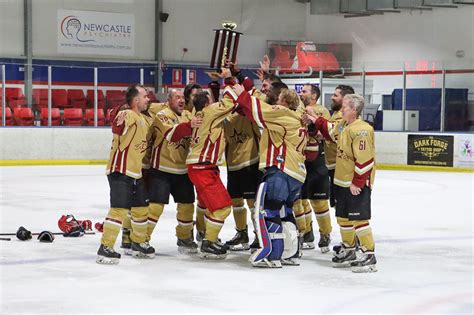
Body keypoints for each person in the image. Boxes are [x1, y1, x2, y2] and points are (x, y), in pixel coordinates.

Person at [232, 83, 307, 268]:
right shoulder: (298, 116)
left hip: (280, 170)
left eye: (279, 99)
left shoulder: (282, 113)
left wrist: (241, 93)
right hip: (297, 174)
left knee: (269, 211)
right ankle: (291, 253)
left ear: (284, 102)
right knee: (286, 212)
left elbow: (257, 111)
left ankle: (272, 254)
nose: (276, 102)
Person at [305, 94, 377, 273]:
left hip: (354, 183)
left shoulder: (362, 130)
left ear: (354, 109)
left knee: (359, 219)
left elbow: (365, 160)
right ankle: (349, 249)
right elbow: (329, 131)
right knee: (343, 218)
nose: (341, 109)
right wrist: (314, 118)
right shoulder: (344, 125)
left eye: (345, 106)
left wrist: (358, 182)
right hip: (340, 180)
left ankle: (369, 255)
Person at [97, 84, 153, 264]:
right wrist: (119, 115)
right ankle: (105, 247)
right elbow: (117, 126)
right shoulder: (128, 114)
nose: (148, 99)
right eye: (145, 96)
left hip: (135, 173)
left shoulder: (142, 118)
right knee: (119, 209)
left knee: (142, 209)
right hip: (120, 171)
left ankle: (137, 243)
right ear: (136, 100)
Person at [185, 68, 238, 259]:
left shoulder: (199, 114)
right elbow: (231, 102)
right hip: (203, 167)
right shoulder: (211, 111)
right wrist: (228, 79)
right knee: (223, 207)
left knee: (212, 207)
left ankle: (209, 238)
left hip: (200, 166)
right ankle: (208, 242)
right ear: (208, 103)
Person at [147, 89, 203, 254]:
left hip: (182, 171)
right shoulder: (162, 115)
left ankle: (184, 238)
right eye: (176, 97)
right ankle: (142, 239)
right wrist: (189, 125)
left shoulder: (187, 115)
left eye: (182, 98)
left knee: (187, 207)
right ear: (169, 100)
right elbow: (172, 134)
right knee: (155, 208)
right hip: (161, 169)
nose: (181, 100)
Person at [296, 83, 332, 253]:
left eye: (304, 91)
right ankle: (306, 232)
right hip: (300, 159)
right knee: (301, 200)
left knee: (318, 201)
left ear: (314, 95)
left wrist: (312, 127)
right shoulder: (296, 109)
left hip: (318, 160)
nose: (300, 93)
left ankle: (325, 234)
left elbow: (325, 133)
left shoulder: (322, 111)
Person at [325, 85, 355, 208]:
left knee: (343, 205)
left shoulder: (345, 118)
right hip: (334, 165)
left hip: (341, 166)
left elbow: (334, 134)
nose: (332, 98)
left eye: (335, 95)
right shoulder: (336, 114)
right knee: (338, 205)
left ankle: (348, 227)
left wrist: (316, 120)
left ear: (345, 99)